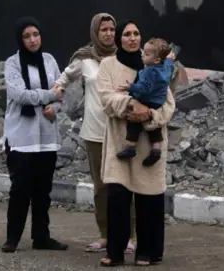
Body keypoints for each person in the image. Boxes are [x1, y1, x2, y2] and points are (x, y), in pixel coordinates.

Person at [53, 13, 138, 255]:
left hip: (122, 129)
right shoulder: (85, 59)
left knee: (125, 185)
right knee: (101, 188)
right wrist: (58, 88)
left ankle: (130, 236)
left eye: (112, 29)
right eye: (104, 30)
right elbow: (66, 76)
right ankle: (104, 235)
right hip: (95, 132)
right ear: (95, 33)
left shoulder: (126, 56)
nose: (109, 34)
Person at [96, 20, 175, 267]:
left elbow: (168, 103)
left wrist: (150, 116)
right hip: (121, 143)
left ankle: (148, 252)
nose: (132, 38)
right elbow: (107, 98)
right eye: (127, 34)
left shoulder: (154, 64)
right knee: (118, 198)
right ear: (120, 38)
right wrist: (132, 105)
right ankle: (115, 252)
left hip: (148, 145)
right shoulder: (108, 65)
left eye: (137, 33)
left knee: (149, 199)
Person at [1, 16, 68, 253]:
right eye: (27, 36)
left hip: (47, 137)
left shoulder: (49, 60)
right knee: (20, 190)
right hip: (22, 137)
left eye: (36, 34)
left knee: (43, 192)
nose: (32, 40)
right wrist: (51, 96)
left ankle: (41, 237)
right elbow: (21, 95)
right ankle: (12, 238)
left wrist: (56, 106)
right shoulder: (13, 63)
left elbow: (62, 92)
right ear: (20, 39)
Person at [116, 37, 174, 167]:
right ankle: (156, 149)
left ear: (157, 60)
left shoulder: (149, 71)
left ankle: (130, 146)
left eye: (147, 54)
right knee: (154, 126)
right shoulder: (166, 66)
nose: (142, 55)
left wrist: (130, 87)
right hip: (159, 101)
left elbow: (144, 88)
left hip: (147, 99)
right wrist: (170, 58)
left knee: (134, 119)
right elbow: (170, 62)